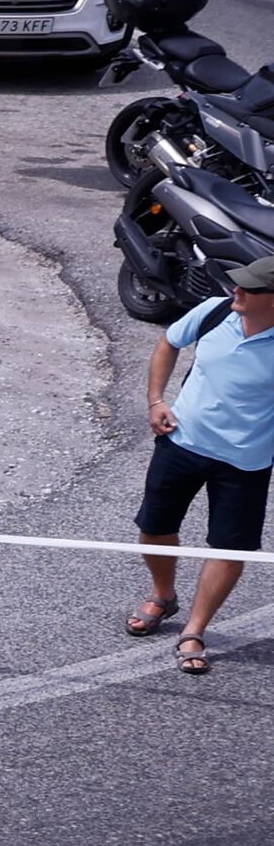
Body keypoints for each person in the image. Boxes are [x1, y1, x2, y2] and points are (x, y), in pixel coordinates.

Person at [134, 249, 274, 673]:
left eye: (248, 286)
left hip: (244, 463)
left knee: (231, 548)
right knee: (154, 530)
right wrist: (157, 400)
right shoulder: (215, 312)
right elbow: (168, 343)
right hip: (181, 443)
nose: (236, 290)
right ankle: (163, 596)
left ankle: (194, 629)